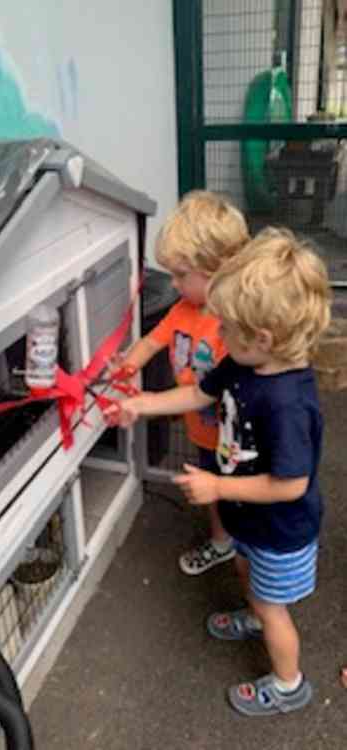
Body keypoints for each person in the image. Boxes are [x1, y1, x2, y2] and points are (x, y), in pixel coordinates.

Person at [105, 227, 331, 716]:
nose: (217, 333)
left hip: (280, 529)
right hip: (249, 518)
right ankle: (253, 615)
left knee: (275, 608)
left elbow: (292, 484)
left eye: (226, 326)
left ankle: (289, 684)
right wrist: (141, 404)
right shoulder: (243, 362)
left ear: (264, 338)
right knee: (247, 573)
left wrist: (217, 485)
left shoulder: (289, 403)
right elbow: (198, 393)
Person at [112, 190, 249, 575]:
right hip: (203, 432)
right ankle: (223, 543)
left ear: (218, 269)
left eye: (180, 274)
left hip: (236, 440)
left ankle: (251, 555)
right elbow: (153, 339)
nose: (171, 283)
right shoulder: (183, 308)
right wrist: (128, 363)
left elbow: (206, 391)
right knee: (216, 495)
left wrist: (146, 402)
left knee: (239, 498)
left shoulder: (236, 328)